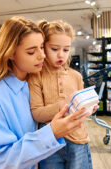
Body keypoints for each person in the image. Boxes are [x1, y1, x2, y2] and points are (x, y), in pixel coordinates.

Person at [0, 16, 92, 169]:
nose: (42, 55)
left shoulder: (32, 83)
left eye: (42, 47)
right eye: (31, 52)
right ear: (10, 53)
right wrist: (52, 132)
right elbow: (3, 159)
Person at [28, 20, 97, 169]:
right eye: (54, 49)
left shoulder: (76, 76)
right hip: (49, 144)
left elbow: (81, 113)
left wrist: (88, 109)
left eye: (66, 50)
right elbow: (36, 113)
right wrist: (61, 106)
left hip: (78, 140)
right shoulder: (36, 76)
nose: (61, 55)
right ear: (43, 47)